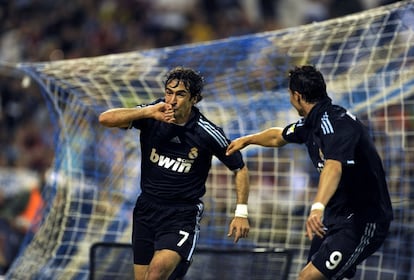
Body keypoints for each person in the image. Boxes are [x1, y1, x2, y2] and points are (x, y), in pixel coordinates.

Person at [226, 65, 393, 280]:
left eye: (289, 93)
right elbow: (278, 136)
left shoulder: (336, 123)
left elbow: (333, 166)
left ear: (296, 96)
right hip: (335, 218)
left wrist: (317, 207)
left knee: (308, 278)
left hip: (363, 219)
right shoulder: (311, 122)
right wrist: (247, 140)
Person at [98, 66, 250, 280]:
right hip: (146, 209)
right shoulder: (152, 113)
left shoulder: (206, 132)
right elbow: (105, 119)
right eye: (169, 92)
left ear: (194, 99)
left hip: (181, 215)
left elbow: (239, 168)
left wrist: (241, 213)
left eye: (180, 94)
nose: (171, 100)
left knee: (156, 273)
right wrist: (146, 111)